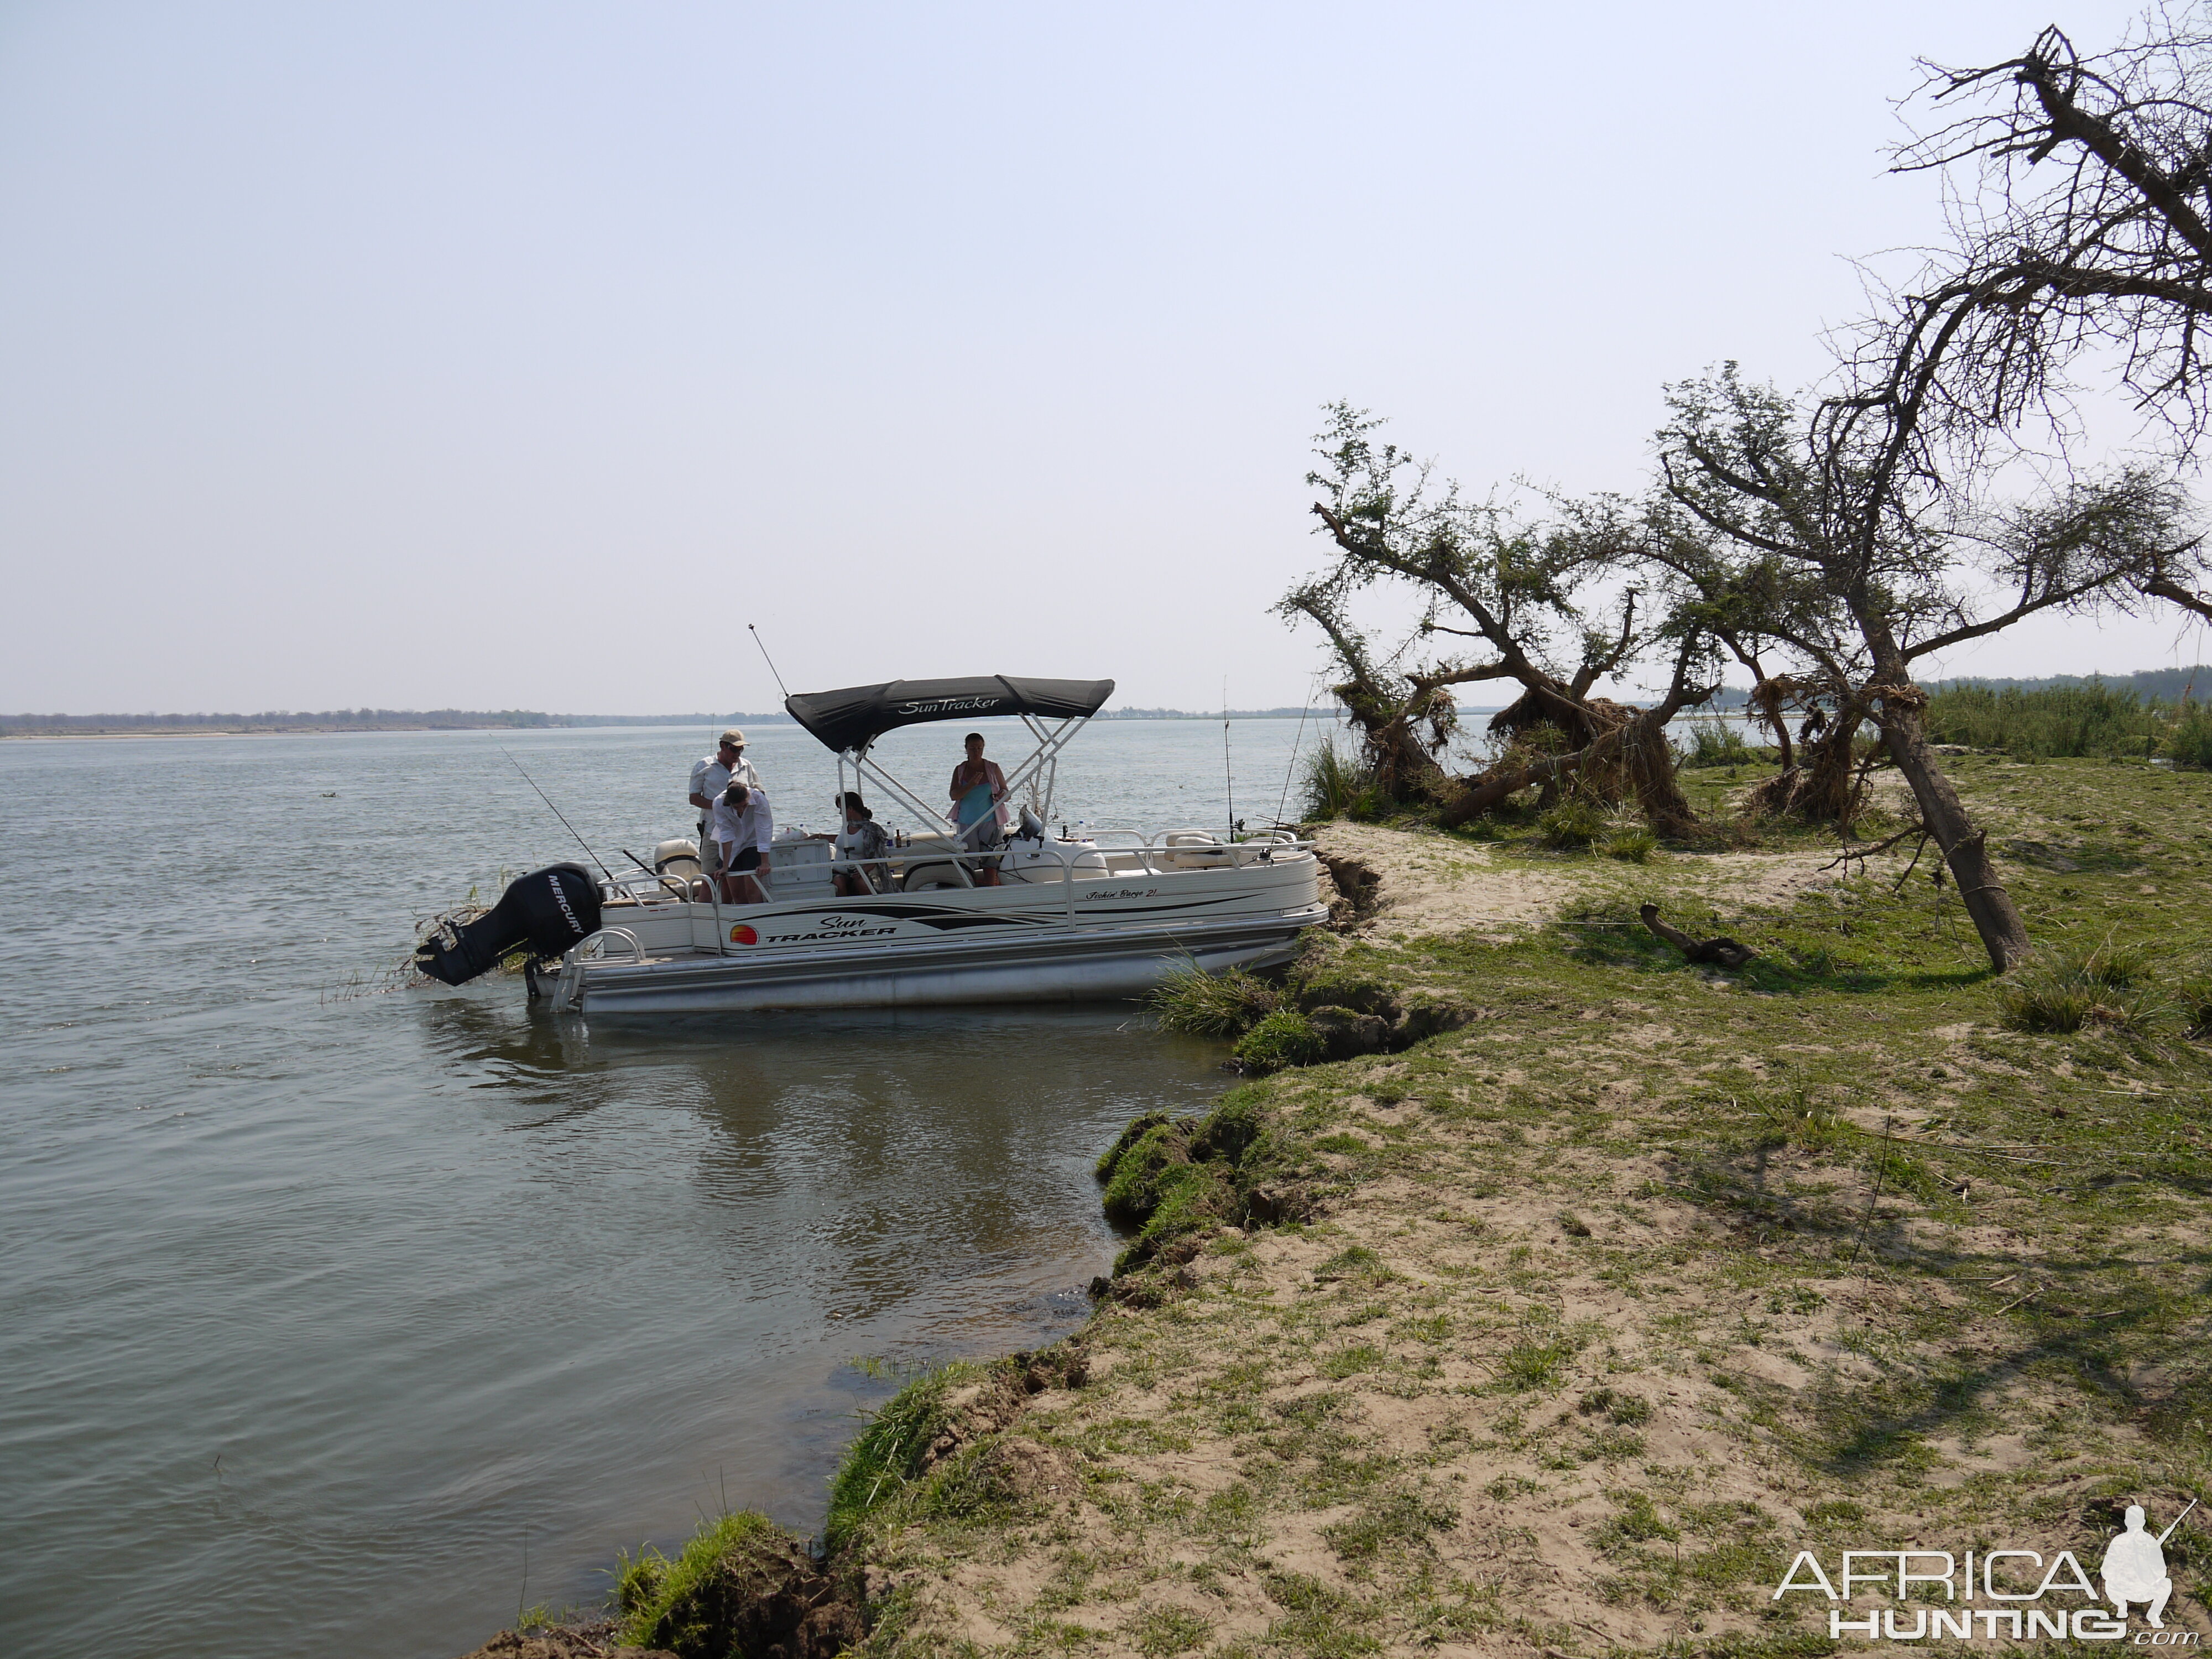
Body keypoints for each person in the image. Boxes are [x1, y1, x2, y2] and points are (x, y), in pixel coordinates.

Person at [688, 728, 760, 883]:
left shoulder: (746, 766)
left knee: (739, 877)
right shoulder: (704, 766)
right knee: (710, 878)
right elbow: (694, 798)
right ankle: (707, 906)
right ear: (722, 746)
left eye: (741, 749)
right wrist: (722, 806)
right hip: (713, 829)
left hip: (742, 833)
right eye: (734, 749)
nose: (737, 753)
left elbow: (759, 792)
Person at [947, 731, 1008, 887]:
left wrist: (1002, 794)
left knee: (991, 858)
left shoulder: (993, 768)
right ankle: (972, 888)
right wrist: (970, 786)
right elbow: (954, 795)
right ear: (966, 749)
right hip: (967, 821)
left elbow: (1007, 792)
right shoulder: (960, 770)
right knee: (971, 860)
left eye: (980, 748)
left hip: (989, 819)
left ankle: (991, 888)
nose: (977, 752)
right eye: (973, 748)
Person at [2101, 1505, 2173, 1627]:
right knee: (2166, 1583)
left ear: (2126, 1522)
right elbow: (2162, 1572)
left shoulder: (2118, 1540)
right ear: (2144, 1522)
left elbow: (2106, 1571)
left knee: (2108, 1583)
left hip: (2120, 1591)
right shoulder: (2150, 1541)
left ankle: (2122, 1607)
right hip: (2144, 1593)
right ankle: (2154, 1614)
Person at [709, 780, 773, 904]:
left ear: (748, 797)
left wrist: (765, 862)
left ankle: (757, 919)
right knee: (737, 893)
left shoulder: (759, 798)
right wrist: (725, 866)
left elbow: (764, 828)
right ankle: (742, 921)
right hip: (733, 846)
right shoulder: (718, 802)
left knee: (752, 890)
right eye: (736, 807)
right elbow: (726, 833)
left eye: (744, 806)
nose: (741, 810)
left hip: (753, 842)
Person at [826, 791, 891, 896]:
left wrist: (862, 871)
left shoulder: (872, 830)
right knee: (839, 881)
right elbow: (839, 840)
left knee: (862, 883)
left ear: (850, 809)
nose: (840, 813)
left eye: (842, 809)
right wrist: (818, 837)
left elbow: (877, 858)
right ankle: (844, 909)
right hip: (839, 871)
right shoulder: (846, 826)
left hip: (860, 872)